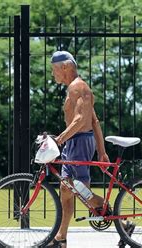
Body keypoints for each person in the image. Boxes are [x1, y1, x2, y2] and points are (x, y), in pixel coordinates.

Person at [47, 51, 110, 247]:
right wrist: (101, 151)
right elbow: (95, 121)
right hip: (75, 142)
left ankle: (123, 223)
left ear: (65, 67)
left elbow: (81, 119)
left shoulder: (78, 87)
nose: (53, 74)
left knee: (80, 190)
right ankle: (61, 237)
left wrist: (60, 139)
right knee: (66, 190)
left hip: (79, 142)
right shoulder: (75, 88)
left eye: (54, 69)